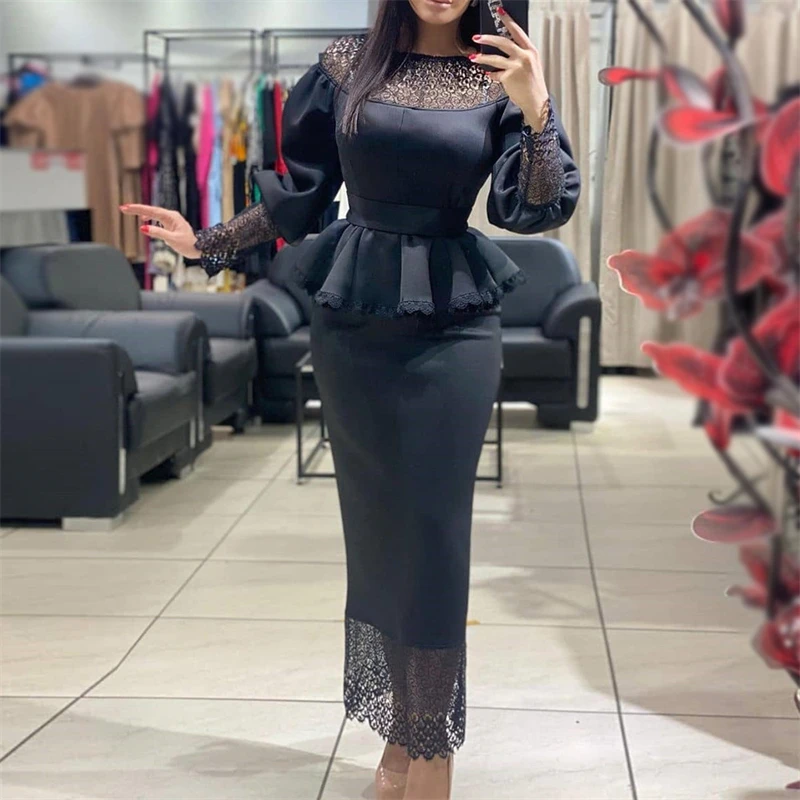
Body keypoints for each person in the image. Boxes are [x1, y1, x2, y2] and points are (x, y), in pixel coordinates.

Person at [122, 1, 579, 797]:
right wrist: (207, 242)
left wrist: (538, 110)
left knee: (434, 534)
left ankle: (431, 751)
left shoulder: (500, 76)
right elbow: (303, 196)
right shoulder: (346, 64)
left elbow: (533, 208)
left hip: (454, 322)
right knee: (378, 535)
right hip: (353, 321)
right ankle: (402, 731)